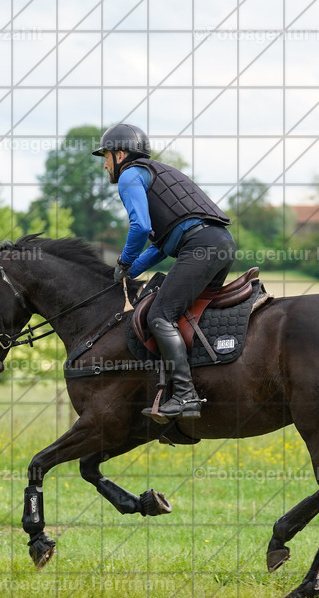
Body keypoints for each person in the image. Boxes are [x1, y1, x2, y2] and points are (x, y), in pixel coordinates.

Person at [92, 123, 235, 422]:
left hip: (200, 247)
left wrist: (123, 260)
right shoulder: (159, 173)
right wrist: (128, 271)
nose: (104, 164)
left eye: (105, 156)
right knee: (185, 312)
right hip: (219, 244)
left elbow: (140, 227)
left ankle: (185, 396)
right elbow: (161, 245)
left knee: (160, 315)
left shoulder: (130, 175)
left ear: (120, 154)